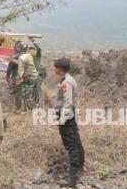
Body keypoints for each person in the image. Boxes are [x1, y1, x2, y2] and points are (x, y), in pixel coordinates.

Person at [54, 58, 85, 187]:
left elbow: (67, 102)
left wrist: (61, 120)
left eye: (55, 67)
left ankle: (72, 179)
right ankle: (79, 170)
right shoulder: (69, 79)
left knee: (71, 146)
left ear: (60, 69)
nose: (54, 69)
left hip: (66, 116)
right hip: (70, 115)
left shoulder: (66, 82)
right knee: (76, 142)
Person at [17, 43, 39, 110]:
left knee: (27, 95)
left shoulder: (22, 57)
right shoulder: (29, 55)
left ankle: (31, 110)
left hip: (29, 78)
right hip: (35, 77)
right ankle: (36, 106)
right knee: (35, 93)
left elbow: (20, 70)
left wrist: (20, 78)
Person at [6, 41, 26, 111]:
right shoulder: (27, 56)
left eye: (16, 46)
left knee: (16, 92)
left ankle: (17, 107)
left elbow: (9, 69)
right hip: (25, 76)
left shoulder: (13, 57)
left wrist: (7, 76)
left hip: (16, 77)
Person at [28, 37, 44, 107]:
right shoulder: (28, 58)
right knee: (32, 91)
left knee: (37, 90)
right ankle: (33, 105)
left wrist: (33, 41)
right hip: (30, 77)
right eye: (30, 50)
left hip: (38, 76)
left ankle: (39, 104)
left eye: (33, 50)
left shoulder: (37, 56)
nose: (31, 51)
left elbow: (39, 48)